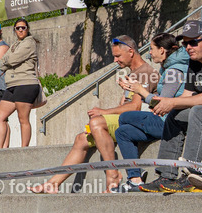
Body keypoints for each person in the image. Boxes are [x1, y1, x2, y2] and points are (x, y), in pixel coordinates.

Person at [30, 35, 154, 194]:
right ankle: (53, 183)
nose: (115, 61)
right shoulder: (132, 73)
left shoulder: (145, 72)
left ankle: (113, 175)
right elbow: (124, 106)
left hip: (140, 124)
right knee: (81, 139)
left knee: (97, 122)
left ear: (131, 51)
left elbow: (135, 107)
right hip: (126, 121)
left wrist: (103, 113)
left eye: (118, 56)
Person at [114, 33, 189, 191]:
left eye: (152, 49)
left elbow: (163, 104)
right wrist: (133, 88)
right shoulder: (168, 68)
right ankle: (135, 178)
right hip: (164, 119)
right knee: (122, 132)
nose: (149, 53)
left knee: (126, 116)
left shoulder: (174, 72)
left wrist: (140, 90)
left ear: (162, 50)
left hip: (170, 122)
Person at [145, 21, 202, 192]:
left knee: (199, 110)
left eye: (193, 42)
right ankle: (166, 175)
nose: (188, 47)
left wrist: (171, 101)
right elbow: (186, 96)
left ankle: (194, 171)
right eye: (185, 43)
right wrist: (167, 105)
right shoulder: (194, 64)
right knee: (176, 114)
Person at [0, 18, 40, 147]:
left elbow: (12, 59)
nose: (20, 30)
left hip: (25, 84)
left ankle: (23, 149)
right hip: (11, 85)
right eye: (18, 28)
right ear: (14, 30)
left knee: (23, 118)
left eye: (23, 28)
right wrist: (6, 61)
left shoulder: (29, 43)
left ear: (27, 29)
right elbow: (1, 63)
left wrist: (6, 60)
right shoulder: (15, 45)